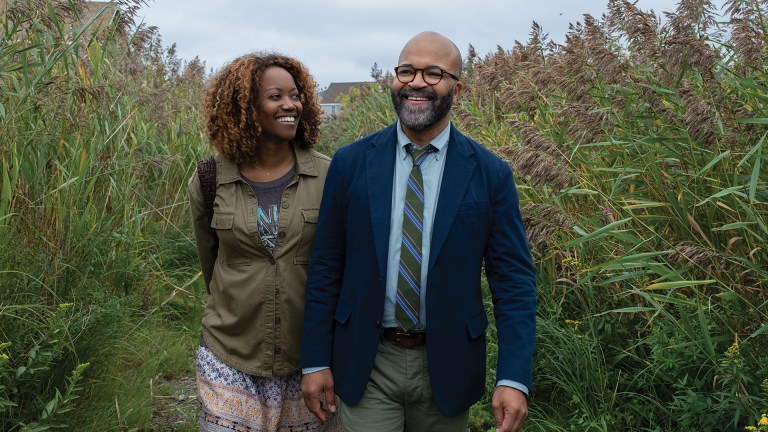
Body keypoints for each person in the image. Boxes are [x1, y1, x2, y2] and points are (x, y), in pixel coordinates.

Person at [300, 31, 537, 432]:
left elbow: (513, 281)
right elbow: (325, 266)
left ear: (456, 88)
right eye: (406, 71)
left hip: (447, 362)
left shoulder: (490, 173)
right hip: (368, 359)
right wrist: (316, 360)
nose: (416, 82)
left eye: (433, 73)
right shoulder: (351, 163)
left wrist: (513, 377)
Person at [189, 52, 341, 432]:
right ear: (245, 106)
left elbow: (342, 264)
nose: (290, 105)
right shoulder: (210, 178)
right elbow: (212, 263)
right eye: (276, 97)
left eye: (296, 95)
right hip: (229, 350)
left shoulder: (330, 175)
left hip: (306, 357)